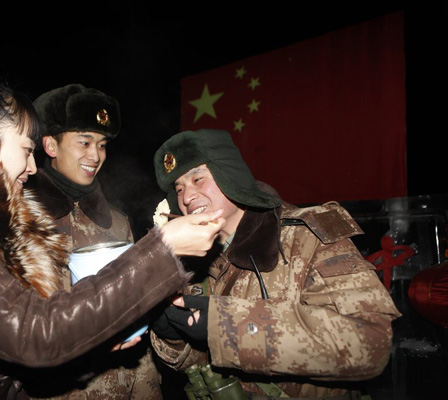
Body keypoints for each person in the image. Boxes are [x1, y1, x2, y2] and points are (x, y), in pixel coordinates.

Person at [0, 51, 225, 400]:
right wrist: (161, 251)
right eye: (25, 150)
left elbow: (15, 356)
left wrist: (94, 349)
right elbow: (35, 334)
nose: (33, 168)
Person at [149, 129, 402, 399]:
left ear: (230, 172)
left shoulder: (306, 236)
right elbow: (203, 362)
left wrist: (225, 325)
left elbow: (370, 346)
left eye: (198, 178)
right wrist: (174, 334)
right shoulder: (194, 259)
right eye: (179, 189)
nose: (187, 198)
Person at [23, 84, 161, 399]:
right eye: (84, 142)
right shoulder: (24, 224)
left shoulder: (119, 221)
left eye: (101, 144)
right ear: (50, 146)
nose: (95, 155)